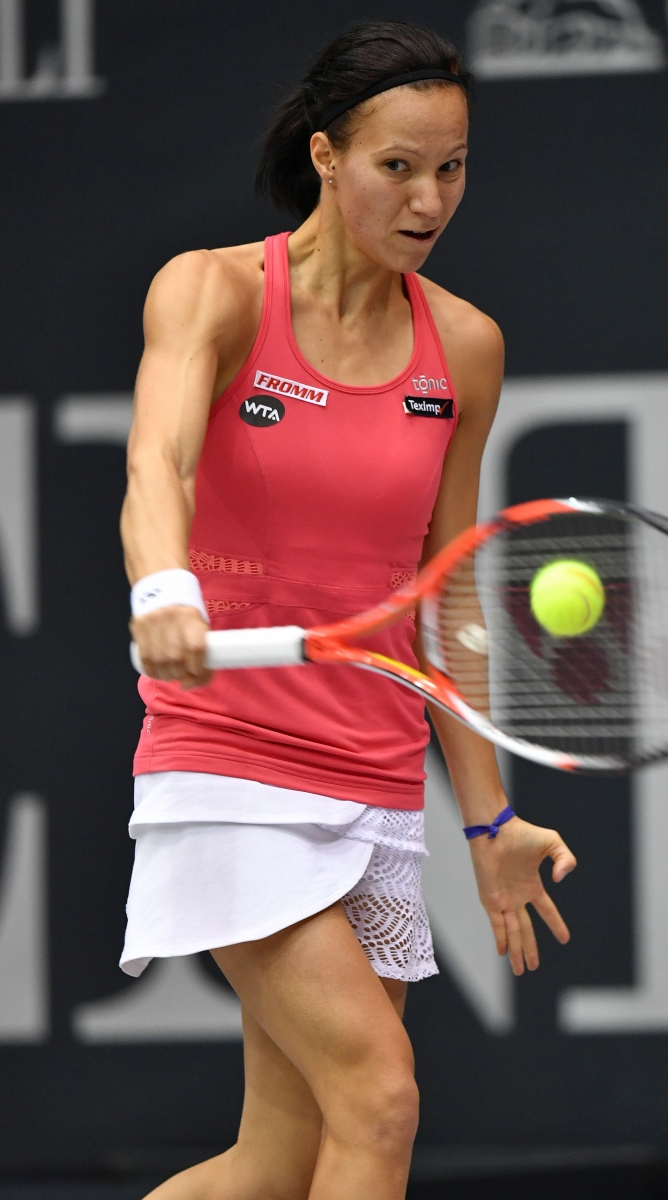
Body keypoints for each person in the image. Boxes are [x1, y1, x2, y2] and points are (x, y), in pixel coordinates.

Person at [122, 20, 577, 1200]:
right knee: (379, 1101)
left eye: (452, 167)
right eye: (397, 166)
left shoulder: (463, 347)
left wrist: (486, 824)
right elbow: (155, 472)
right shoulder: (214, 291)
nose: (430, 198)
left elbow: (448, 595)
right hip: (226, 757)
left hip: (368, 773)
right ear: (325, 156)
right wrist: (166, 588)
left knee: (271, 1164)